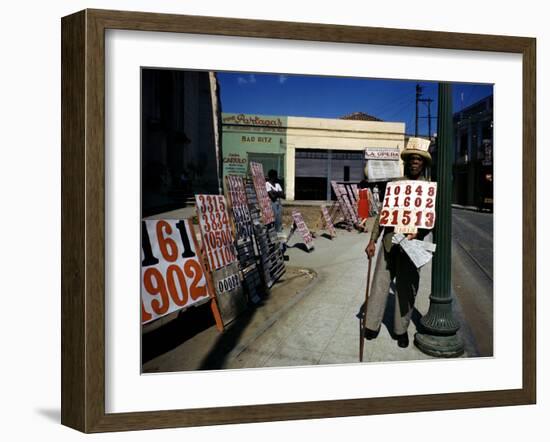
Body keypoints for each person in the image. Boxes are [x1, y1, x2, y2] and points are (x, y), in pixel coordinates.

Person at [363, 139, 432, 348]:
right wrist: (372, 241)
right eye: (411, 159)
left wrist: (417, 232)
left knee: (406, 290)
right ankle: (371, 326)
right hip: (389, 243)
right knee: (379, 286)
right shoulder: (395, 185)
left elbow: (430, 220)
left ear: (423, 164)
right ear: (406, 163)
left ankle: (401, 330)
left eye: (418, 160)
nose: (414, 163)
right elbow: (383, 215)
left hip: (413, 247)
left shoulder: (429, 189)